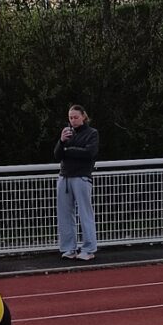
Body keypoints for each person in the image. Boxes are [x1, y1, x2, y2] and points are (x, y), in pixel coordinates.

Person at [54, 104, 99, 261]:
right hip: (64, 176)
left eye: (75, 117)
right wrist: (61, 141)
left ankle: (89, 248)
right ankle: (68, 248)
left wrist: (69, 150)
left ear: (83, 117)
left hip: (81, 177)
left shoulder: (92, 133)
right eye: (70, 118)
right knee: (65, 214)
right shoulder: (67, 134)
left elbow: (89, 153)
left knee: (85, 213)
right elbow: (57, 155)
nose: (72, 120)